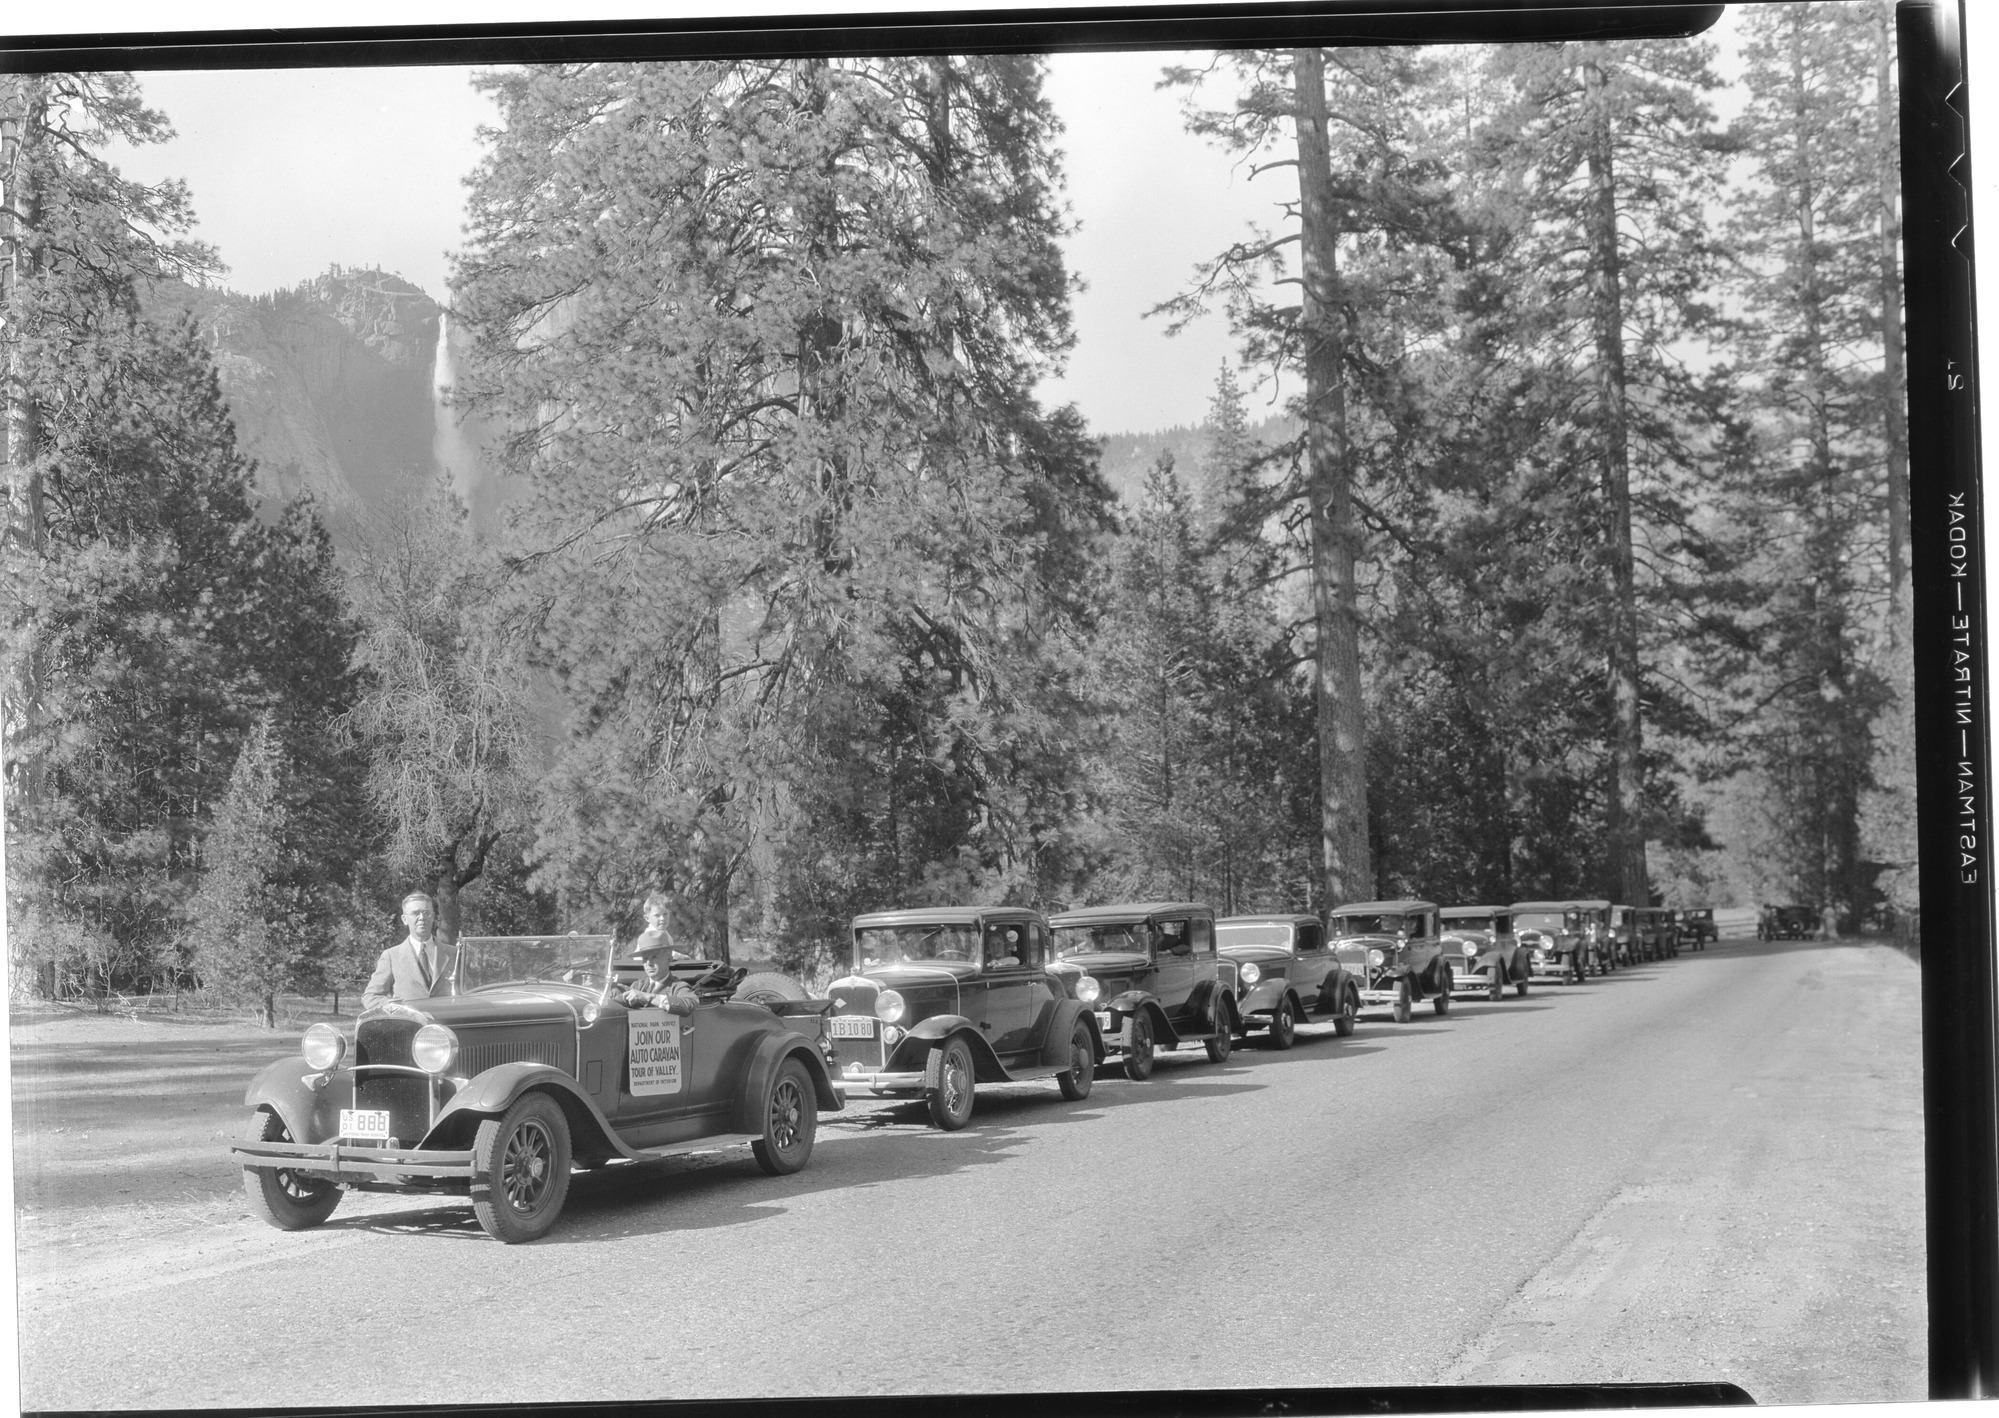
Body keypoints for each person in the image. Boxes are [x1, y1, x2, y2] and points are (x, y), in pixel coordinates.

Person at [363, 892, 452, 1015]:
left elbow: (470, 991)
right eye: (415, 913)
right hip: (408, 1028)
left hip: (448, 1029)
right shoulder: (391, 956)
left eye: (426, 913)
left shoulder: (454, 954)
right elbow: (371, 996)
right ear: (405, 919)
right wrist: (393, 1007)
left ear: (433, 916)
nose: (422, 918)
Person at [622, 931, 700, 1016]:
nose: (648, 963)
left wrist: (649, 997)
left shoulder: (677, 987)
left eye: (654, 957)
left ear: (669, 958)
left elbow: (689, 1004)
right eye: (645, 958)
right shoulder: (637, 986)